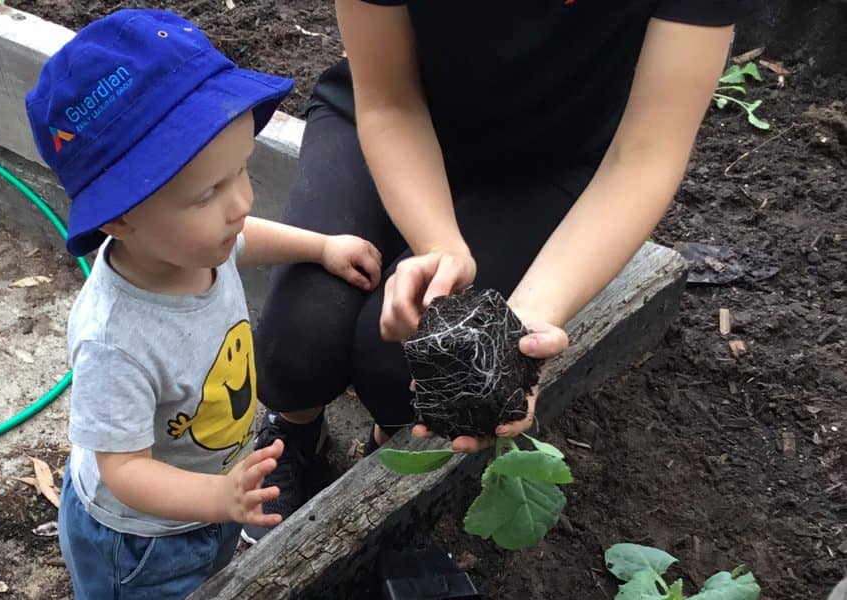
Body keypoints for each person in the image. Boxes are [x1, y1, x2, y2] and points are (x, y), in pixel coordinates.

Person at [244, 0, 744, 543]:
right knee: (295, 344)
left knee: (404, 368)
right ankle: (293, 433)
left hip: (547, 163)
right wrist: (439, 243)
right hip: (392, 115)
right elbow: (388, 101)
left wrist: (526, 319)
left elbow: (644, 153)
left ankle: (384, 460)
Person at [24, 9, 383, 599]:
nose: (240, 202)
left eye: (240, 170)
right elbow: (124, 469)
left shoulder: (194, 244)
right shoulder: (116, 340)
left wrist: (321, 247)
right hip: (142, 542)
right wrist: (218, 500)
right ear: (119, 217)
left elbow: (248, 237)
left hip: (212, 496)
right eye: (207, 193)